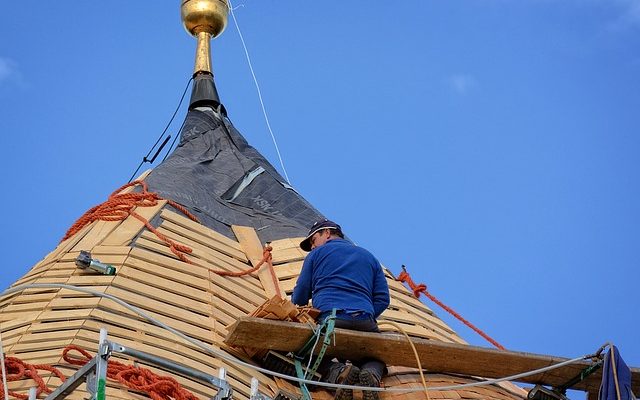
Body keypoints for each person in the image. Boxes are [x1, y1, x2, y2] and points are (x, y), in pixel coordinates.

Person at [292, 219, 390, 400]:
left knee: (304, 355)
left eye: (313, 240)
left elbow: (300, 296)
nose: (313, 247)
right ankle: (371, 375)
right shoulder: (369, 257)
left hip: (331, 319)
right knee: (376, 358)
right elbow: (383, 299)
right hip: (365, 320)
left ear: (327, 233)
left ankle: (339, 373)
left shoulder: (316, 255)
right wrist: (364, 312)